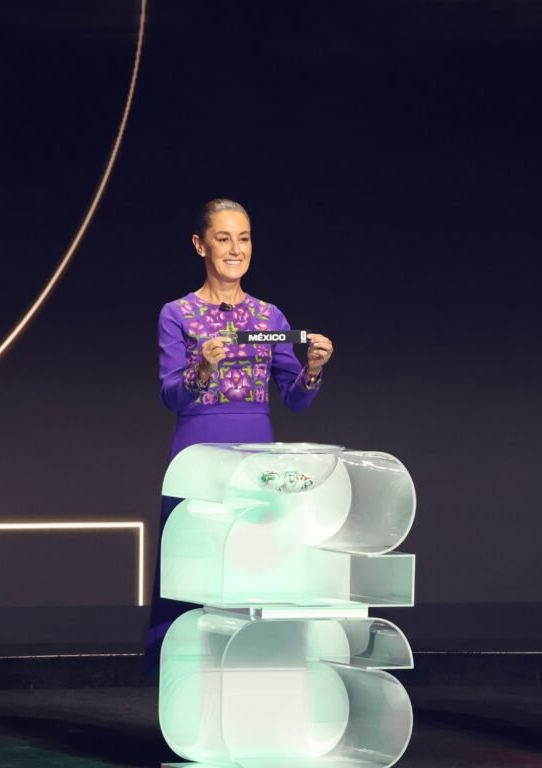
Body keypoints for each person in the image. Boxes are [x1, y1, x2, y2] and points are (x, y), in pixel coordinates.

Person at [145, 198, 334, 665]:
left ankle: (255, 664)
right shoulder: (177, 313)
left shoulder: (270, 317)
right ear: (200, 245)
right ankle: (184, 668)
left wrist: (312, 369)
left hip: (255, 453)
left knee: (253, 561)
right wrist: (203, 369)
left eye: (244, 239)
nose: (235, 249)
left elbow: (294, 399)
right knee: (193, 564)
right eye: (224, 238)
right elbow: (170, 396)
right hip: (197, 453)